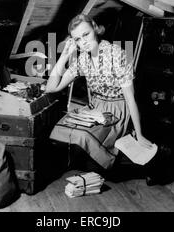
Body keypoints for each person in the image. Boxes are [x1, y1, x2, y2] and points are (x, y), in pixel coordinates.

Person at [46, 14, 153, 173]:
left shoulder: (116, 54)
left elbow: (131, 99)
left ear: (95, 28)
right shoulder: (82, 59)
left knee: (83, 137)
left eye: (86, 34)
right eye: (77, 39)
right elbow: (51, 88)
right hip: (95, 108)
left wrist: (140, 133)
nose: (83, 42)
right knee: (61, 128)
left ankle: (101, 162)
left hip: (117, 109)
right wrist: (64, 56)